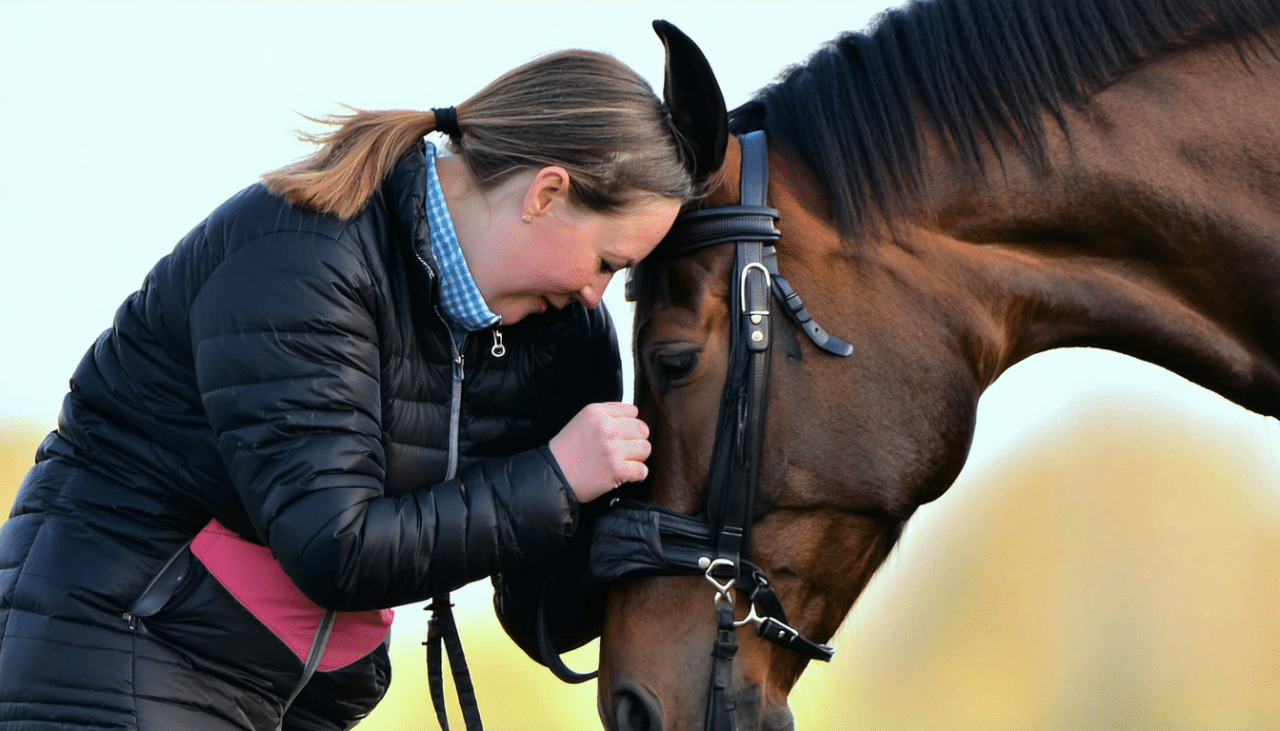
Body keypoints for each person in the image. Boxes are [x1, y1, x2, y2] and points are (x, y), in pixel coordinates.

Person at [0, 48, 692, 731]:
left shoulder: (557, 332)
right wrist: (559, 476)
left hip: (298, 697)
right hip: (115, 651)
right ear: (546, 193)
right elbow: (336, 547)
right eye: (607, 262)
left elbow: (536, 608)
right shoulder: (300, 254)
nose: (594, 294)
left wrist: (658, 536)